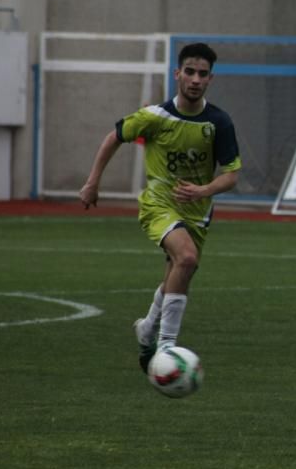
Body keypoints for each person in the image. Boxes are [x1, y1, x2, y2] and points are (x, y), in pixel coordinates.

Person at [79, 42, 241, 373]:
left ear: (211, 79)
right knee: (187, 257)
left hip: (197, 211)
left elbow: (232, 175)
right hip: (159, 203)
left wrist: (204, 189)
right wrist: (93, 181)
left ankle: (148, 327)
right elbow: (114, 137)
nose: (196, 79)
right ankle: (167, 348)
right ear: (177, 73)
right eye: (190, 72)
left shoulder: (219, 122)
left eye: (203, 74)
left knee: (179, 273)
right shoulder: (155, 117)